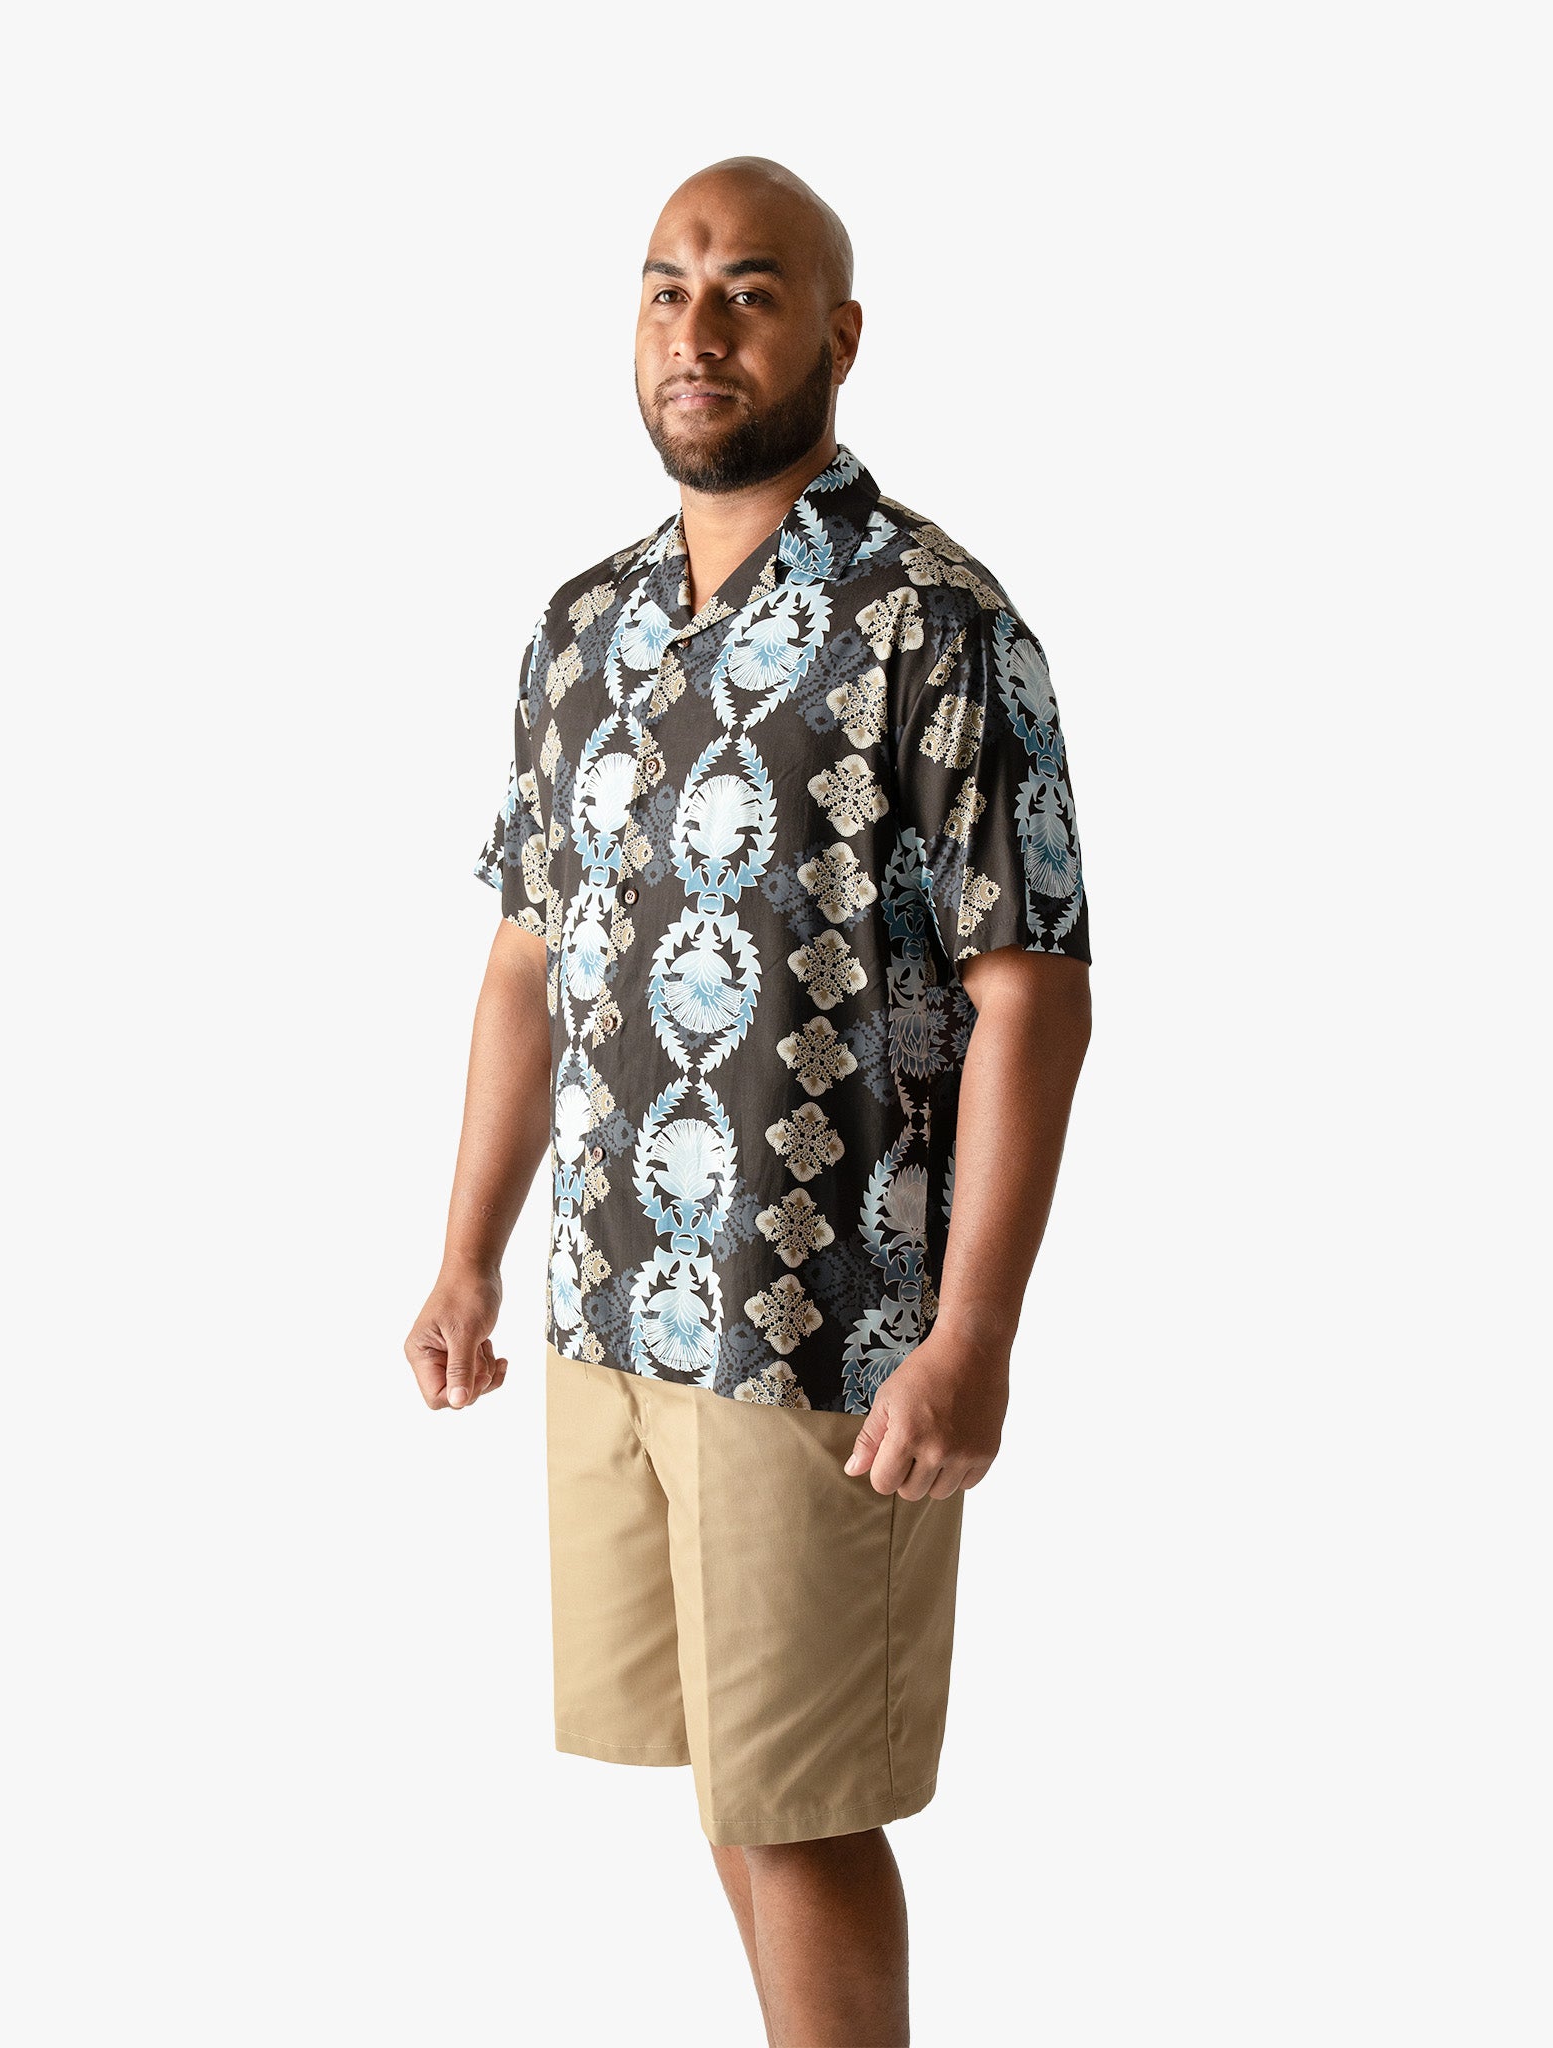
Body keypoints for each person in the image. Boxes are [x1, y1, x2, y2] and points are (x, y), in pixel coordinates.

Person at [405, 155, 1093, 2048]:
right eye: (668, 289)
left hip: (824, 1324)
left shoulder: (937, 624)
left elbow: (1032, 995)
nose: (697, 330)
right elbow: (527, 960)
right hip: (618, 1308)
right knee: (734, 1782)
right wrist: (466, 1257)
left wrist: (974, 1337)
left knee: (801, 1808)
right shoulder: (583, 625)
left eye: (749, 292)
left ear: (838, 336)